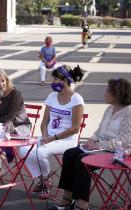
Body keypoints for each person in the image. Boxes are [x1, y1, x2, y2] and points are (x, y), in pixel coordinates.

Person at [48, 78, 131, 210]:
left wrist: (100, 145)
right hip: (98, 147)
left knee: (82, 160)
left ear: (117, 94)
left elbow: (125, 140)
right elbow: (99, 130)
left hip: (116, 152)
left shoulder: (128, 112)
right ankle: (67, 196)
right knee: (70, 154)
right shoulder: (109, 109)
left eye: (107, 91)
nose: (104, 93)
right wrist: (92, 139)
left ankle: (82, 203)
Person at [18, 65, 85, 199]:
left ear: (64, 80)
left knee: (40, 152)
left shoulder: (77, 99)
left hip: (67, 140)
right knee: (23, 149)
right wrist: (44, 136)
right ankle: (44, 178)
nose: (52, 82)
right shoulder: (52, 96)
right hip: (49, 137)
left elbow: (75, 128)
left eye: (55, 79)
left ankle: (46, 181)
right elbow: (44, 122)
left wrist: (52, 138)